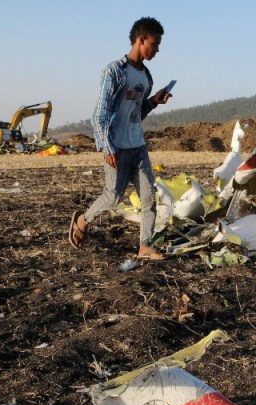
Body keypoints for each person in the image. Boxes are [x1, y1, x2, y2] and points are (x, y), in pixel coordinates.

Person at [69, 17, 172, 260]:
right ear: (141, 40)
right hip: (116, 147)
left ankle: (145, 246)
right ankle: (83, 220)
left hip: (138, 147)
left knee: (149, 199)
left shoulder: (147, 77)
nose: (157, 49)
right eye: (154, 44)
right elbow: (99, 114)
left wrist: (153, 102)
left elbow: (137, 113)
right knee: (113, 197)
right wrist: (107, 146)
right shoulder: (114, 71)